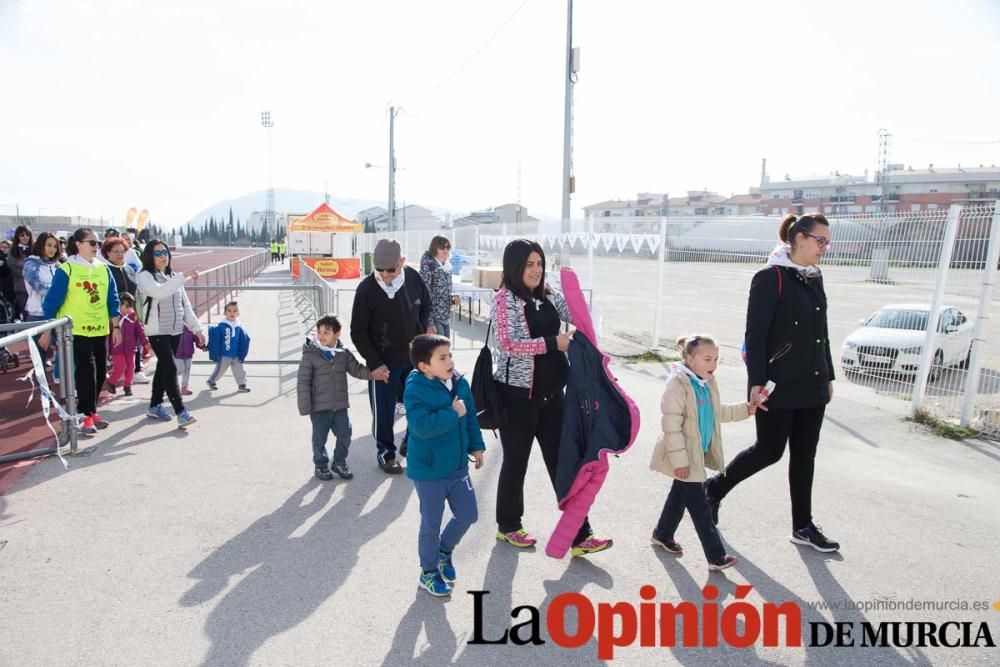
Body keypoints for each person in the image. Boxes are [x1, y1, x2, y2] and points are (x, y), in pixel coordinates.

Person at [704, 213, 839, 553]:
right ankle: (713, 490)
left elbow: (821, 332)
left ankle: (803, 526)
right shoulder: (770, 278)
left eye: (827, 240)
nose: (826, 246)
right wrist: (756, 382)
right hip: (778, 384)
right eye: (821, 240)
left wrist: (829, 374)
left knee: (805, 455)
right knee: (769, 450)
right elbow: (756, 335)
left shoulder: (814, 277)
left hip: (813, 382)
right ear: (799, 239)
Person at [491, 239, 610, 556]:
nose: (536, 270)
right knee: (516, 462)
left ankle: (580, 534)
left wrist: (570, 286)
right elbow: (507, 344)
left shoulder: (547, 294)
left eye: (539, 264)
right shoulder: (505, 300)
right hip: (518, 396)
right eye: (529, 264)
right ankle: (509, 525)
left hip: (553, 395)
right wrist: (553, 344)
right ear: (514, 267)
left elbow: (577, 315)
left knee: (564, 463)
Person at [650, 335, 754, 571]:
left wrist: (745, 410)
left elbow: (718, 412)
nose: (713, 364)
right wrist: (680, 461)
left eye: (716, 359)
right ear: (689, 359)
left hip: (696, 453)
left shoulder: (706, 383)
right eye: (707, 358)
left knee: (679, 496)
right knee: (701, 510)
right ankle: (716, 556)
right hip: (685, 455)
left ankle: (662, 533)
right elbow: (671, 427)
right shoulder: (677, 386)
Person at [404, 334, 485, 597]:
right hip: (429, 471)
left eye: (449, 355)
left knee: (468, 514)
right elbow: (422, 426)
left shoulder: (460, 382)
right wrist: (453, 413)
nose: (450, 360)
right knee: (431, 523)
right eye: (442, 357)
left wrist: (476, 446)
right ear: (424, 366)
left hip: (458, 465)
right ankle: (428, 572)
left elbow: (469, 415)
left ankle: (443, 551)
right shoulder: (415, 388)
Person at [350, 239, 432, 474]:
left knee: (418, 403)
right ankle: (386, 453)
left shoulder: (413, 279)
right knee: (384, 411)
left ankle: (411, 441)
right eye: (380, 270)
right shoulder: (366, 289)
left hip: (414, 357)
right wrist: (374, 364)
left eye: (391, 269)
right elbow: (358, 331)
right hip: (383, 360)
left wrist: (426, 327)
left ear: (401, 263)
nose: (385, 275)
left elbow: (426, 305)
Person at [39, 228, 121, 435]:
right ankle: (85, 415)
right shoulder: (67, 269)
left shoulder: (103, 268)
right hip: (76, 330)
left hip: (100, 328)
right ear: (78, 244)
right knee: (87, 371)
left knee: (100, 372)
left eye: (98, 243)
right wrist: (47, 330)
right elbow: (52, 301)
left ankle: (90, 411)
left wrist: (116, 325)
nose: (97, 246)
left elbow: (112, 298)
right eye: (92, 243)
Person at [297, 314, 383, 481]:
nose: (321, 336)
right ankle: (321, 465)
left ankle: (339, 462)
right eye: (320, 332)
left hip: (340, 405)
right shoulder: (311, 354)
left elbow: (357, 370)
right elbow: (303, 381)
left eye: (326, 332)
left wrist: (375, 374)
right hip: (319, 407)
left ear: (337, 334)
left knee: (345, 433)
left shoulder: (343, 353)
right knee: (319, 439)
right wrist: (305, 405)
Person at [136, 239, 205, 428]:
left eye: (165, 252)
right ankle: (181, 412)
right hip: (157, 330)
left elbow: (186, 306)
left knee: (163, 368)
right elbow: (159, 292)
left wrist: (197, 329)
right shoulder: (144, 276)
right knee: (171, 367)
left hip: (175, 330)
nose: (163, 256)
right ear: (149, 255)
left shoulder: (173, 276)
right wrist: (184, 277)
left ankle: (154, 405)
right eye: (158, 253)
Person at [102, 236, 150, 384]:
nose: (119, 254)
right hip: (113, 316)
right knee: (112, 346)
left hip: (131, 315)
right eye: (115, 251)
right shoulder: (104, 271)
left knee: (133, 343)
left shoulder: (129, 269)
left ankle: (135, 371)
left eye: (122, 251)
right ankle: (108, 373)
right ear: (107, 253)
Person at [22, 232, 62, 365]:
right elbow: (38, 287)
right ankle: (42, 386)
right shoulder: (31, 263)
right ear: (41, 245)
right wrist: (59, 291)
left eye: (55, 246)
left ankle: (64, 381)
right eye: (49, 245)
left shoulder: (57, 265)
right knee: (40, 356)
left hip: (58, 314)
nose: (52, 249)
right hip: (38, 314)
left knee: (66, 352)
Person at [106, 293, 149, 397]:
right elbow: (108, 333)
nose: (129, 308)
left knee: (131, 367)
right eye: (126, 306)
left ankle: (128, 386)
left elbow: (140, 331)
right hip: (117, 348)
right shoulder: (113, 318)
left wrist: (146, 342)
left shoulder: (133, 317)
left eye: (130, 306)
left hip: (130, 348)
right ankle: (111, 382)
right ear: (119, 305)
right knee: (121, 366)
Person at [206, 301, 251, 392]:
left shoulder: (238, 326)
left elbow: (243, 339)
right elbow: (215, 338)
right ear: (225, 313)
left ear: (238, 313)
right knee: (220, 370)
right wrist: (209, 346)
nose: (232, 313)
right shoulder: (222, 326)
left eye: (235, 311)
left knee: (239, 369)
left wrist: (241, 351)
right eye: (229, 311)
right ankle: (211, 381)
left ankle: (242, 384)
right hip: (224, 354)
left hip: (235, 354)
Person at [419, 236, 454, 338]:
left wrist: (452, 298)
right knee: (439, 350)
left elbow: (445, 290)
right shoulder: (428, 265)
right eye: (442, 247)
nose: (446, 250)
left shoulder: (447, 266)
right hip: (434, 317)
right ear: (435, 248)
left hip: (445, 316)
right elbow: (425, 294)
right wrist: (429, 323)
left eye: (448, 247)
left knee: (445, 349)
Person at [9, 225, 33, 320]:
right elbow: (12, 266)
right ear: (17, 237)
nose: (25, 237)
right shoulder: (13, 250)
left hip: (36, 288)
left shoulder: (36, 249)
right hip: (21, 288)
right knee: (26, 313)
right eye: (22, 235)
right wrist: (28, 270)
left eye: (27, 235)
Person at [175, 326, 198, 395]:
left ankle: (184, 387)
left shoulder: (191, 327)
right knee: (179, 369)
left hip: (188, 353)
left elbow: (196, 338)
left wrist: (202, 346)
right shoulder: (174, 326)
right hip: (177, 353)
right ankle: (170, 384)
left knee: (187, 370)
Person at [0, 239, 16, 309]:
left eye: (6, 247)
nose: (3, 249)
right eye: (2, 247)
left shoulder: (13, 257)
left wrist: (4, 263)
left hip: (11, 283)